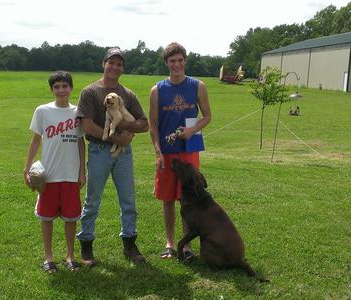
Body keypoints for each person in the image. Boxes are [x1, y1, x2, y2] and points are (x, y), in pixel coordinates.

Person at [76, 47, 149, 265]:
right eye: (111, 62)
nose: (115, 67)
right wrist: (117, 138)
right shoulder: (89, 92)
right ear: (103, 64)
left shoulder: (127, 94)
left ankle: (130, 243)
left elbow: (143, 124)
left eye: (119, 64)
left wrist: (125, 127)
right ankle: (86, 246)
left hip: (124, 154)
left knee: (128, 200)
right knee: (92, 200)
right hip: (99, 151)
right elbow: (87, 125)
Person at [149, 42, 211, 259]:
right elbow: (153, 125)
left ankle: (186, 245)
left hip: (189, 150)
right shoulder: (157, 90)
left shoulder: (198, 86)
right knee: (167, 199)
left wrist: (192, 130)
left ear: (185, 61)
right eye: (172, 61)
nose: (176, 64)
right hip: (167, 152)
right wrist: (158, 152)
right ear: (166, 63)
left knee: (189, 197)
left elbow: (207, 117)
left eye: (180, 60)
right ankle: (169, 242)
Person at [24, 70, 86, 273]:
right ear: (52, 89)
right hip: (48, 175)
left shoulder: (78, 112)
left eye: (64, 86)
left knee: (71, 218)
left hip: (70, 173)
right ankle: (48, 257)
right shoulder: (42, 111)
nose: (61, 90)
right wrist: (27, 168)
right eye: (56, 86)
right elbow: (35, 141)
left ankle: (70, 255)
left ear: (71, 87)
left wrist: (81, 170)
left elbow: (80, 142)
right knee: (46, 217)